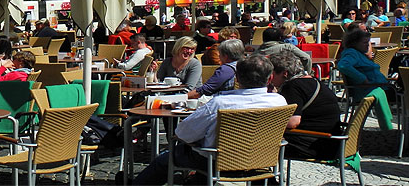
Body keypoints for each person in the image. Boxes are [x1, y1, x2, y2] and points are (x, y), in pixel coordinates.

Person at [132, 55, 287, 184]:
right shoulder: (279, 102)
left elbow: (183, 133)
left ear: (237, 78)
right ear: (270, 78)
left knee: (165, 159)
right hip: (261, 161)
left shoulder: (220, 104)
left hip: (217, 162)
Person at [267, 52, 341, 159]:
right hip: (333, 142)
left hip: (315, 145)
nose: (270, 79)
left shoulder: (293, 87)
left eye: (272, 74)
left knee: (261, 144)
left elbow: (293, 122)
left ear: (285, 73)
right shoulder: (314, 81)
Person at [336, 28, 389, 101]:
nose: (368, 45)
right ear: (354, 43)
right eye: (364, 42)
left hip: (379, 89)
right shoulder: (352, 53)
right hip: (372, 91)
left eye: (368, 42)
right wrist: (362, 78)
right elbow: (343, 65)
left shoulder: (359, 53)